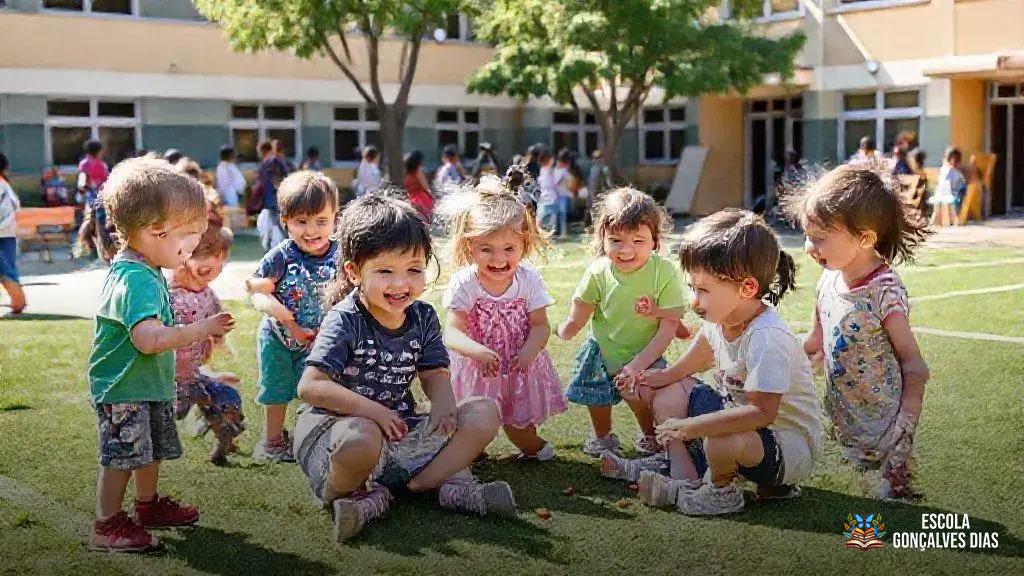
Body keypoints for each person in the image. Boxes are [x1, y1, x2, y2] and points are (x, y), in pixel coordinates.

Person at [293, 194, 517, 542]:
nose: (401, 284)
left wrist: (443, 404)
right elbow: (311, 387)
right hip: (336, 435)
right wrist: (374, 412)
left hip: (397, 433)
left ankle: (426, 484)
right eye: (385, 271)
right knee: (362, 436)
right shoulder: (345, 319)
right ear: (354, 272)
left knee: (483, 412)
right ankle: (356, 498)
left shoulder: (423, 316)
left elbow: (433, 374)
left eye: (413, 269)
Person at [618, 209, 821, 516]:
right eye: (692, 288)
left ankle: (721, 491)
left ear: (747, 288)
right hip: (742, 428)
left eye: (704, 290)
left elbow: (761, 413)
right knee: (671, 389)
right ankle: (683, 473)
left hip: (781, 451)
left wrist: (689, 426)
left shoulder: (767, 337)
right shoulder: (720, 319)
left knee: (719, 436)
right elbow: (687, 364)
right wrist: (648, 379)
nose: (694, 302)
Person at [88, 155, 235, 552]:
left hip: (147, 386)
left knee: (148, 450)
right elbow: (147, 339)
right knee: (122, 457)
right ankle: (106, 524)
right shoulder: (134, 278)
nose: (194, 243)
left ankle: (147, 505)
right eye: (190, 234)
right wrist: (199, 330)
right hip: (123, 391)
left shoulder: (148, 269)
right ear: (156, 231)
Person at [787, 165, 930, 499]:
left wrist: (901, 438)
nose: (810, 247)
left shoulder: (884, 290)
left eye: (820, 238)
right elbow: (815, 342)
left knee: (881, 508)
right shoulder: (828, 280)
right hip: (843, 419)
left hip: (882, 426)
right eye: (808, 235)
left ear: (865, 238)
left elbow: (915, 367)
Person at [437, 176, 566, 460]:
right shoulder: (466, 283)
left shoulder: (528, 279)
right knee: (472, 427)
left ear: (524, 243)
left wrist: (529, 352)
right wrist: (478, 352)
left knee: (520, 430)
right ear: (469, 246)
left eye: (509, 249)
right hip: (480, 369)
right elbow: (452, 333)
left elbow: (541, 325)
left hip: (520, 366)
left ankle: (537, 450)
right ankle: (473, 451)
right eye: (487, 249)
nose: (498, 259)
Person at [556, 188, 689, 457]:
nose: (626, 250)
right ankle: (603, 437)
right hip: (602, 351)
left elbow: (669, 326)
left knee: (641, 397)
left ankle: (650, 436)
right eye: (616, 240)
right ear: (602, 238)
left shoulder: (663, 272)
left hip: (646, 351)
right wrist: (569, 327)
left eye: (638, 240)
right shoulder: (598, 271)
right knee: (597, 398)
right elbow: (583, 305)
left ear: (654, 241)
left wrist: (637, 366)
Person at [247, 171, 341, 462]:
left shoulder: (340, 253)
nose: (311, 231)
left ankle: (317, 439)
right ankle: (273, 441)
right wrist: (284, 317)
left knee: (319, 390)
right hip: (277, 338)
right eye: (301, 222)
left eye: (321, 221)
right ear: (285, 220)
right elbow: (257, 292)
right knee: (276, 390)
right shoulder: (281, 256)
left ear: (335, 218)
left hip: (319, 341)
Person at [169, 225, 245, 466]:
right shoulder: (164, 292)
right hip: (163, 380)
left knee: (228, 401)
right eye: (208, 268)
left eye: (219, 268)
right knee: (161, 419)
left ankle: (223, 447)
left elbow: (218, 321)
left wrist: (221, 339)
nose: (213, 274)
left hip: (194, 375)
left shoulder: (209, 295)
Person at [0, 153, 26, 314]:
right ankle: (18, 302)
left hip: (3, 233)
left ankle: (18, 302)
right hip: (7, 233)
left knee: (5, 269)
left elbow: (9, 210)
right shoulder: (4, 184)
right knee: (6, 268)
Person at [256, 140, 289, 251]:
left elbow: (272, 179)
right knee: (273, 221)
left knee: (278, 221)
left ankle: (285, 242)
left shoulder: (272, 162)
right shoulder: (277, 161)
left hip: (274, 197)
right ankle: (269, 244)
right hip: (274, 196)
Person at [930, 146, 966, 226]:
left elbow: (960, 181)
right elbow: (943, 182)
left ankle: (955, 219)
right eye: (952, 158)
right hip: (944, 191)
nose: (953, 160)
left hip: (955, 191)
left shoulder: (958, 170)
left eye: (955, 159)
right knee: (941, 199)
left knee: (956, 198)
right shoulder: (946, 169)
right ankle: (938, 220)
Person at [402, 151, 435, 220]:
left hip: (412, 200)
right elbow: (426, 187)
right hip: (421, 200)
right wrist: (434, 199)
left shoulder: (406, 173)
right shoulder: (418, 171)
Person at [535, 150, 558, 235]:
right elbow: (552, 185)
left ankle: (544, 236)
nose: (553, 160)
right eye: (551, 159)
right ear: (548, 160)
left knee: (544, 220)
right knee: (542, 221)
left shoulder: (545, 171)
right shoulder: (546, 171)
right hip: (548, 198)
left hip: (548, 198)